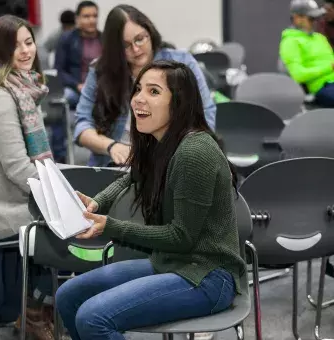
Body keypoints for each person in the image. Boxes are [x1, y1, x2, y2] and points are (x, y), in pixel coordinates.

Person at [56, 60, 245, 340]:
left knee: (92, 317)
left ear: (178, 103)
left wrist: (110, 226)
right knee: (67, 295)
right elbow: (132, 177)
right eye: (138, 90)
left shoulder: (195, 152)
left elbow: (182, 237)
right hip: (172, 262)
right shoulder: (162, 140)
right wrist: (97, 202)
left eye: (154, 92)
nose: (139, 100)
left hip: (208, 276)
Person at [74, 4, 216, 167]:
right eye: (126, 45)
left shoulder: (181, 63)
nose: (136, 49)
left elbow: (204, 114)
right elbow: (82, 124)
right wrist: (112, 146)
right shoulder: (101, 70)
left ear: (150, 32)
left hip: (169, 160)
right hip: (115, 163)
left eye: (140, 39)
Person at [0, 14, 54, 339]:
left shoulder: (25, 91)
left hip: (19, 201)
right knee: (72, 224)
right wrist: (58, 195)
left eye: (28, 42)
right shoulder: (3, 97)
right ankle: (35, 311)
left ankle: (38, 310)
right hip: (7, 212)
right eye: (14, 45)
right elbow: (19, 168)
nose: (25, 51)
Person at [279, 0, 334, 107]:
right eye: (311, 18)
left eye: (316, 18)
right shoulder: (290, 42)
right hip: (322, 87)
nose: (315, 22)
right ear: (296, 18)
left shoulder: (319, 38)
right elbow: (298, 75)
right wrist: (329, 67)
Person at [55, 1, 102, 109]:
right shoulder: (66, 39)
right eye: (86, 16)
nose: (92, 20)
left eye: (95, 16)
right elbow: (59, 71)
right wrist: (77, 85)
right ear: (78, 19)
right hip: (75, 89)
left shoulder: (104, 39)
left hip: (99, 90)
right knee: (64, 98)